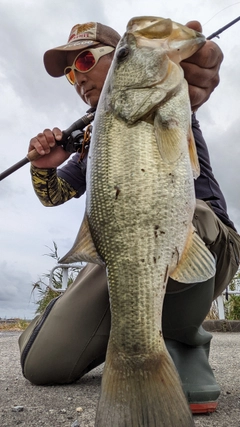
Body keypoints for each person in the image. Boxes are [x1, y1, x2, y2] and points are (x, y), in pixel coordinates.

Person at [18, 20, 240, 416]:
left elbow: (196, 80)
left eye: (86, 60)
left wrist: (194, 66)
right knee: (42, 363)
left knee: (196, 217)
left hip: (201, 237)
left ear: (119, 56)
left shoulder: (167, 97)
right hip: (127, 253)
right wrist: (44, 168)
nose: (78, 78)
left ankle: (181, 342)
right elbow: (54, 196)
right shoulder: (92, 144)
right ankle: (97, 335)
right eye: (70, 73)